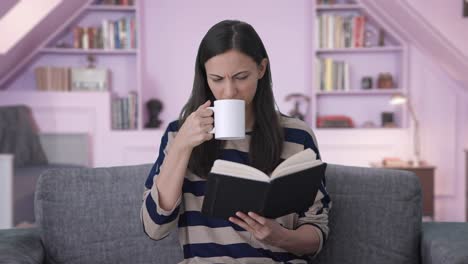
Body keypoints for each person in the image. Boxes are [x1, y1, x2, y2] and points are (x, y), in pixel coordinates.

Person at [141, 20, 331, 264]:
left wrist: (281, 237)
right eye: (217, 79)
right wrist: (181, 146)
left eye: (241, 77)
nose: (229, 91)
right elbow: (154, 228)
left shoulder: (297, 136)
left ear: (261, 69)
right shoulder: (180, 134)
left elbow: (317, 233)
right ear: (204, 77)